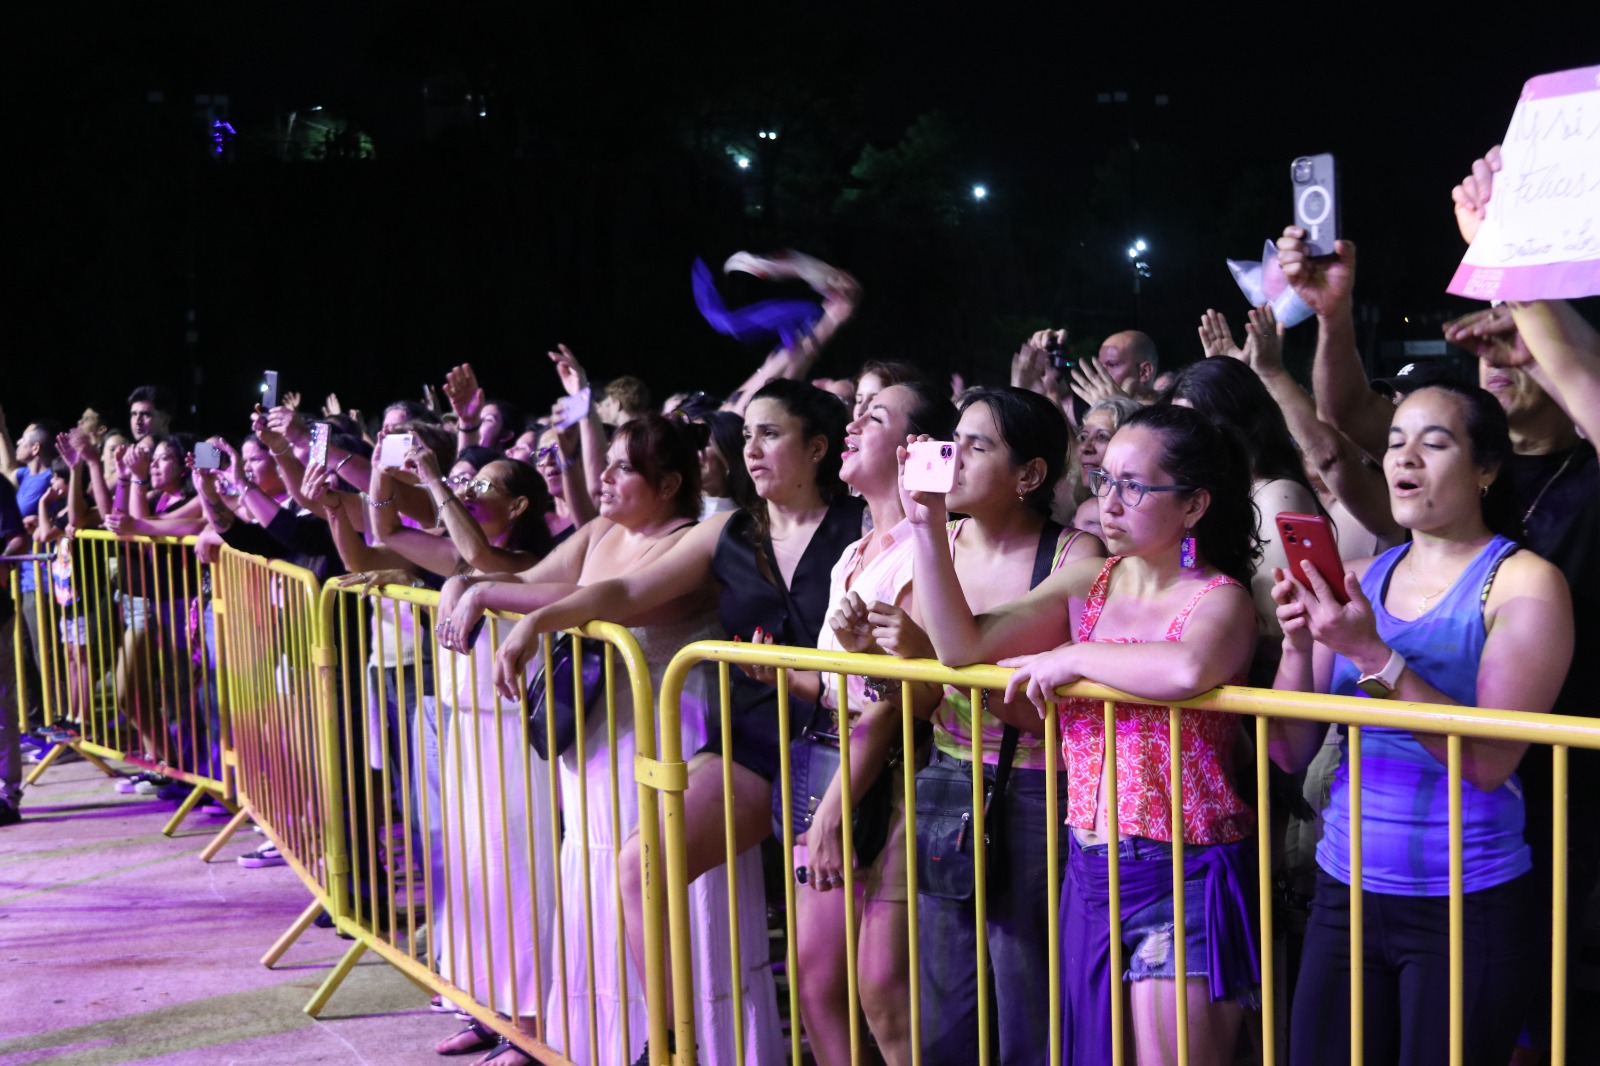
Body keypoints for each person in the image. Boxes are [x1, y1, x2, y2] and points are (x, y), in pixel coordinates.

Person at [489, 379, 856, 1064]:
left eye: (770, 434)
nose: (750, 448)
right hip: (755, 742)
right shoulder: (730, 530)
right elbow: (626, 590)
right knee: (641, 865)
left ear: (817, 447)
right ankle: (669, 1047)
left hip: (846, 744)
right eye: (746, 434)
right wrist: (536, 620)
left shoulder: (860, 526)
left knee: (830, 984)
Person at [910, 403, 1262, 1065]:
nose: (1111, 500)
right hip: (1090, 865)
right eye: (1105, 480)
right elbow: (961, 647)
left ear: (1193, 507)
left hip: (1183, 869)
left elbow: (1187, 665)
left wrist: (1069, 657)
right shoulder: (1088, 581)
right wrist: (928, 527)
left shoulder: (1219, 597)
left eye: (1135, 485)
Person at [442, 414, 779, 1066]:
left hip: (666, 739)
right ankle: (593, 1046)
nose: (604, 477)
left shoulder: (695, 538)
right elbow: (533, 578)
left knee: (660, 883)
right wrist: (466, 584)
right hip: (595, 745)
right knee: (599, 880)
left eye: (623, 467)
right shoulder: (599, 529)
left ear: (669, 482)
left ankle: (693, 1049)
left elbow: (608, 598)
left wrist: (496, 596)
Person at [1268, 381, 1572, 1066]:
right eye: (1395, 442)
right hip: (1342, 889)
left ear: (1487, 469)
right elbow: (1290, 750)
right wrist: (1298, 645)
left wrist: (1372, 653)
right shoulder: (1356, 578)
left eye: (1433, 443)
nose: (1405, 458)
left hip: (1466, 901)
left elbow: (1491, 761)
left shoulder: (1524, 584)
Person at [890, 386, 1102, 1063]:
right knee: (944, 997)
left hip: (1040, 790)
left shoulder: (1076, 556)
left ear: (1030, 476)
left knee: (1026, 991)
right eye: (952, 442)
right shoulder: (939, 537)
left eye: (976, 447)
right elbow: (927, 683)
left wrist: (920, 531)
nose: (950, 461)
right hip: (947, 777)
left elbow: (959, 651)